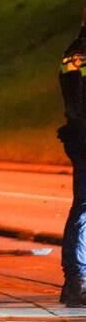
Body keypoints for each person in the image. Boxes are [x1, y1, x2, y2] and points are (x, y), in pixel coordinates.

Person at [58, 16, 86, 307]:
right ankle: (76, 281)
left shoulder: (75, 52)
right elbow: (76, 99)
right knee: (83, 208)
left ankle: (76, 281)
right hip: (83, 136)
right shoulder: (79, 52)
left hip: (80, 135)